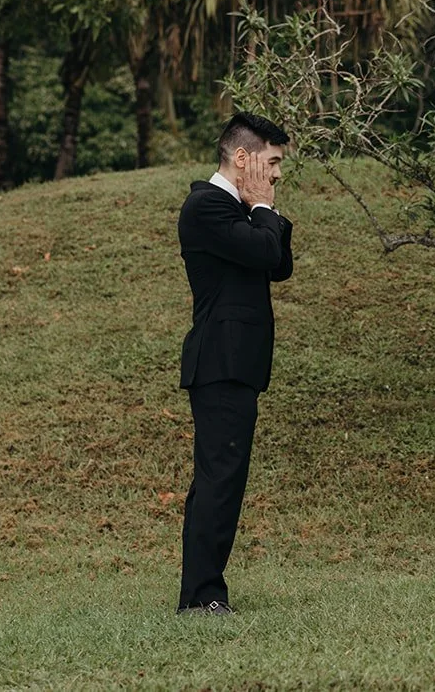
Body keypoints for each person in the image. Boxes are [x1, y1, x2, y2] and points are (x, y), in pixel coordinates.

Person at [175, 112, 294, 615]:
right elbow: (269, 250)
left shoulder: (238, 210)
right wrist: (263, 205)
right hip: (219, 364)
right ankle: (202, 597)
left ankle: (201, 592)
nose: (278, 174)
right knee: (219, 481)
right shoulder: (205, 206)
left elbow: (279, 265)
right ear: (241, 158)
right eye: (273, 162)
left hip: (237, 366)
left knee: (222, 479)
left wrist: (260, 206)